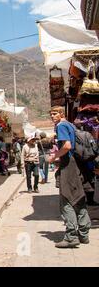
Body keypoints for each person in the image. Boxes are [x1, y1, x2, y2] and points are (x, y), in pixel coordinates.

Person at [48, 106, 91, 248]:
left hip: (68, 165)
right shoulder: (71, 125)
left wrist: (54, 156)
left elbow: (66, 146)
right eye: (51, 114)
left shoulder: (61, 126)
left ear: (61, 114)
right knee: (78, 198)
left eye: (54, 114)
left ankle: (71, 236)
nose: (52, 116)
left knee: (66, 201)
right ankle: (84, 234)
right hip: (76, 165)